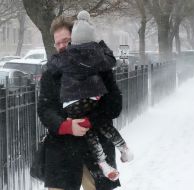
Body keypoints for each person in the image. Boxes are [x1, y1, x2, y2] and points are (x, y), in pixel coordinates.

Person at [37, 12, 122, 190]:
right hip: (61, 152)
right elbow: (45, 109)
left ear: (75, 39)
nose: (61, 47)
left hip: (97, 151)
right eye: (58, 42)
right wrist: (66, 126)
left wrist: (88, 122)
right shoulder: (51, 72)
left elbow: (114, 105)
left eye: (66, 41)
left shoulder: (100, 67)